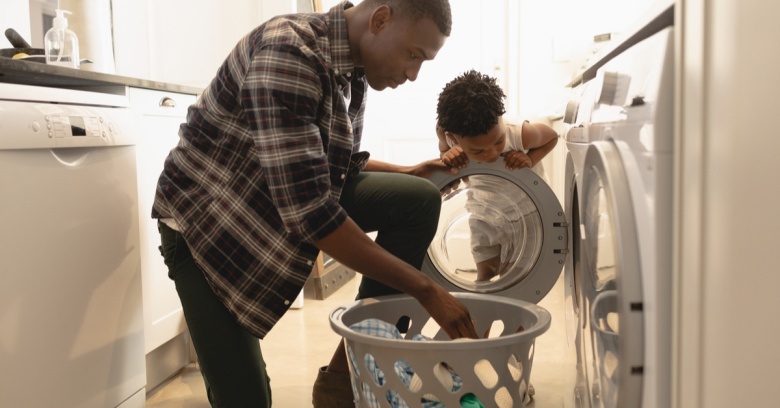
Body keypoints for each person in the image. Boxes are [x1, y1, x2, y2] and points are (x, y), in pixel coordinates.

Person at [151, 1, 478, 407]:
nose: (413, 74)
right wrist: (428, 291)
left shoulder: (352, 68)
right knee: (248, 399)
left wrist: (411, 172)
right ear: (380, 19)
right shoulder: (288, 54)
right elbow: (310, 213)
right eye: (414, 55)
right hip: (210, 228)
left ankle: (345, 376)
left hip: (270, 200)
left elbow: (332, 167)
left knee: (417, 200)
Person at [435, 69, 558, 282]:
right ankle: (481, 312)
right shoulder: (449, 137)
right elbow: (444, 153)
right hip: (482, 211)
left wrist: (530, 160)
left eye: (498, 142)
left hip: (525, 214)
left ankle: (514, 313)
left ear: (501, 120)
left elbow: (551, 137)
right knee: (484, 271)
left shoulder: (518, 133)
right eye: (478, 151)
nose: (492, 153)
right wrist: (447, 154)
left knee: (514, 276)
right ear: (453, 138)